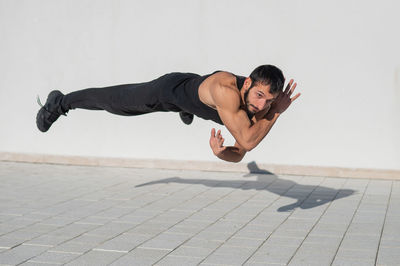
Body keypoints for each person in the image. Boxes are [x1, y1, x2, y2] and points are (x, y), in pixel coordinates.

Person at [36, 64, 300, 163]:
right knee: (116, 103)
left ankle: (187, 110)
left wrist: (221, 153)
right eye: (259, 95)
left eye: (270, 101)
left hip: (190, 93)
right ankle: (59, 102)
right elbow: (250, 140)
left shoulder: (255, 110)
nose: (262, 104)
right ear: (247, 84)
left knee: (205, 111)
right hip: (168, 91)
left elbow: (241, 151)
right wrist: (277, 112)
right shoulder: (226, 92)